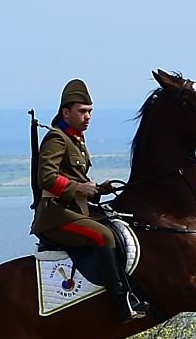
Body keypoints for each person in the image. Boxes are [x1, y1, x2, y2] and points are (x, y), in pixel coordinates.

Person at [30, 79, 148, 323]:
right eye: (82, 111)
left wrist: (97, 189)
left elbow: (76, 179)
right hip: (56, 214)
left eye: (90, 112)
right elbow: (47, 178)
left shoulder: (76, 140)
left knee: (117, 228)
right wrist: (78, 188)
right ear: (66, 112)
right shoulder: (57, 138)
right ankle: (120, 303)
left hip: (73, 208)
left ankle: (130, 291)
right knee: (101, 236)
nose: (88, 117)